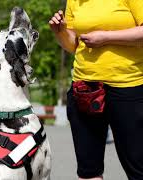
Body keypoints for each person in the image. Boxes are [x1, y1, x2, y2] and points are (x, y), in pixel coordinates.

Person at [49, 1, 143, 180]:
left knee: (138, 169)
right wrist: (60, 31)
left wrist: (106, 37)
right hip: (85, 88)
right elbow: (73, 45)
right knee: (88, 171)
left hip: (129, 87)